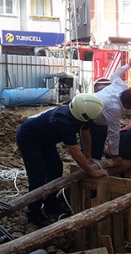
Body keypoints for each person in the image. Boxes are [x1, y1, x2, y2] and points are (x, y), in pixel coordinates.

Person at [16, 94, 109, 228]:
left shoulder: (80, 112)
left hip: (46, 139)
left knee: (56, 169)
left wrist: (88, 156)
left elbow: (86, 134)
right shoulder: (66, 123)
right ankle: (33, 212)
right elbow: (76, 154)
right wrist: (92, 172)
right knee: (38, 175)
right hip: (29, 138)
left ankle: (50, 203)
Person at [89, 56, 131, 166]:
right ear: (128, 105)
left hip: (99, 116)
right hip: (90, 119)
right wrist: (115, 155)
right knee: (92, 150)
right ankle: (91, 167)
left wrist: (129, 65)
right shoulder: (114, 109)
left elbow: (114, 75)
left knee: (99, 144)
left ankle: (97, 161)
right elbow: (114, 133)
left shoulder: (122, 87)